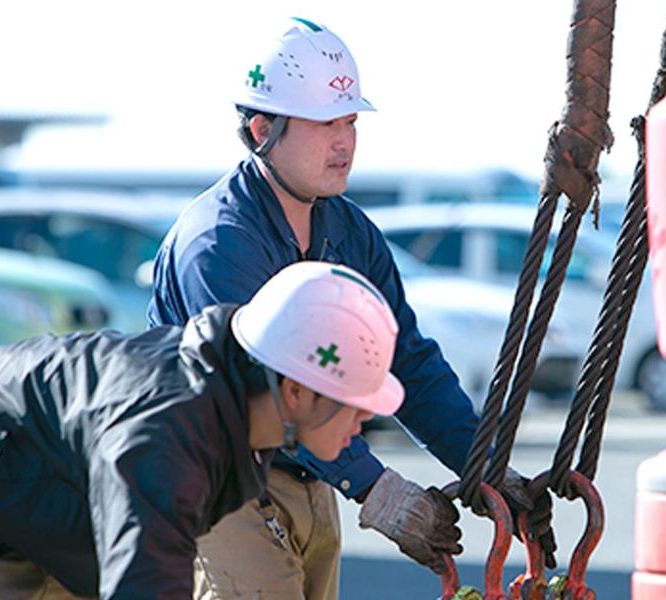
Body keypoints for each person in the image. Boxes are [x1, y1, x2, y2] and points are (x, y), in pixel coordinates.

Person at [148, 17, 556, 599]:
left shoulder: (350, 231)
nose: (344, 142)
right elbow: (263, 390)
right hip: (218, 485)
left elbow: (406, 363)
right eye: (323, 124)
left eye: (350, 121)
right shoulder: (218, 243)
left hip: (307, 476)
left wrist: (485, 468)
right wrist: (378, 490)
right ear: (263, 128)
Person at [0, 262, 431, 599]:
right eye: (353, 402)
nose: (365, 421)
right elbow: (145, 586)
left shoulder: (232, 408)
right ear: (294, 391)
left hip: (28, 514)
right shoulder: (166, 440)